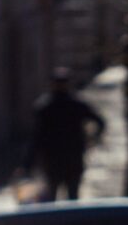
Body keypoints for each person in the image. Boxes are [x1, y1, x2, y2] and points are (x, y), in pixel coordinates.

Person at [25, 70, 106, 201]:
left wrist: (27, 164)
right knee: (71, 197)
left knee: (54, 198)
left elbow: (36, 138)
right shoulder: (75, 105)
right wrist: (93, 139)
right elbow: (100, 122)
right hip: (69, 158)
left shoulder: (46, 107)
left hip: (55, 159)